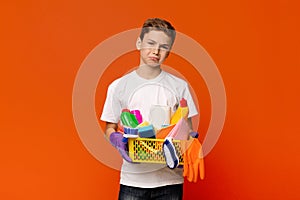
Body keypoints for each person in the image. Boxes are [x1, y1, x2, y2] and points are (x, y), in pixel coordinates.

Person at [100, 18, 198, 200]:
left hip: (169, 181)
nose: (156, 51)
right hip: (133, 180)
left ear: (169, 51)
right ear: (139, 43)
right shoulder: (118, 86)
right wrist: (115, 138)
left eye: (164, 46)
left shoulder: (179, 86)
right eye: (151, 43)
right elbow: (109, 128)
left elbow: (188, 129)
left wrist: (191, 141)